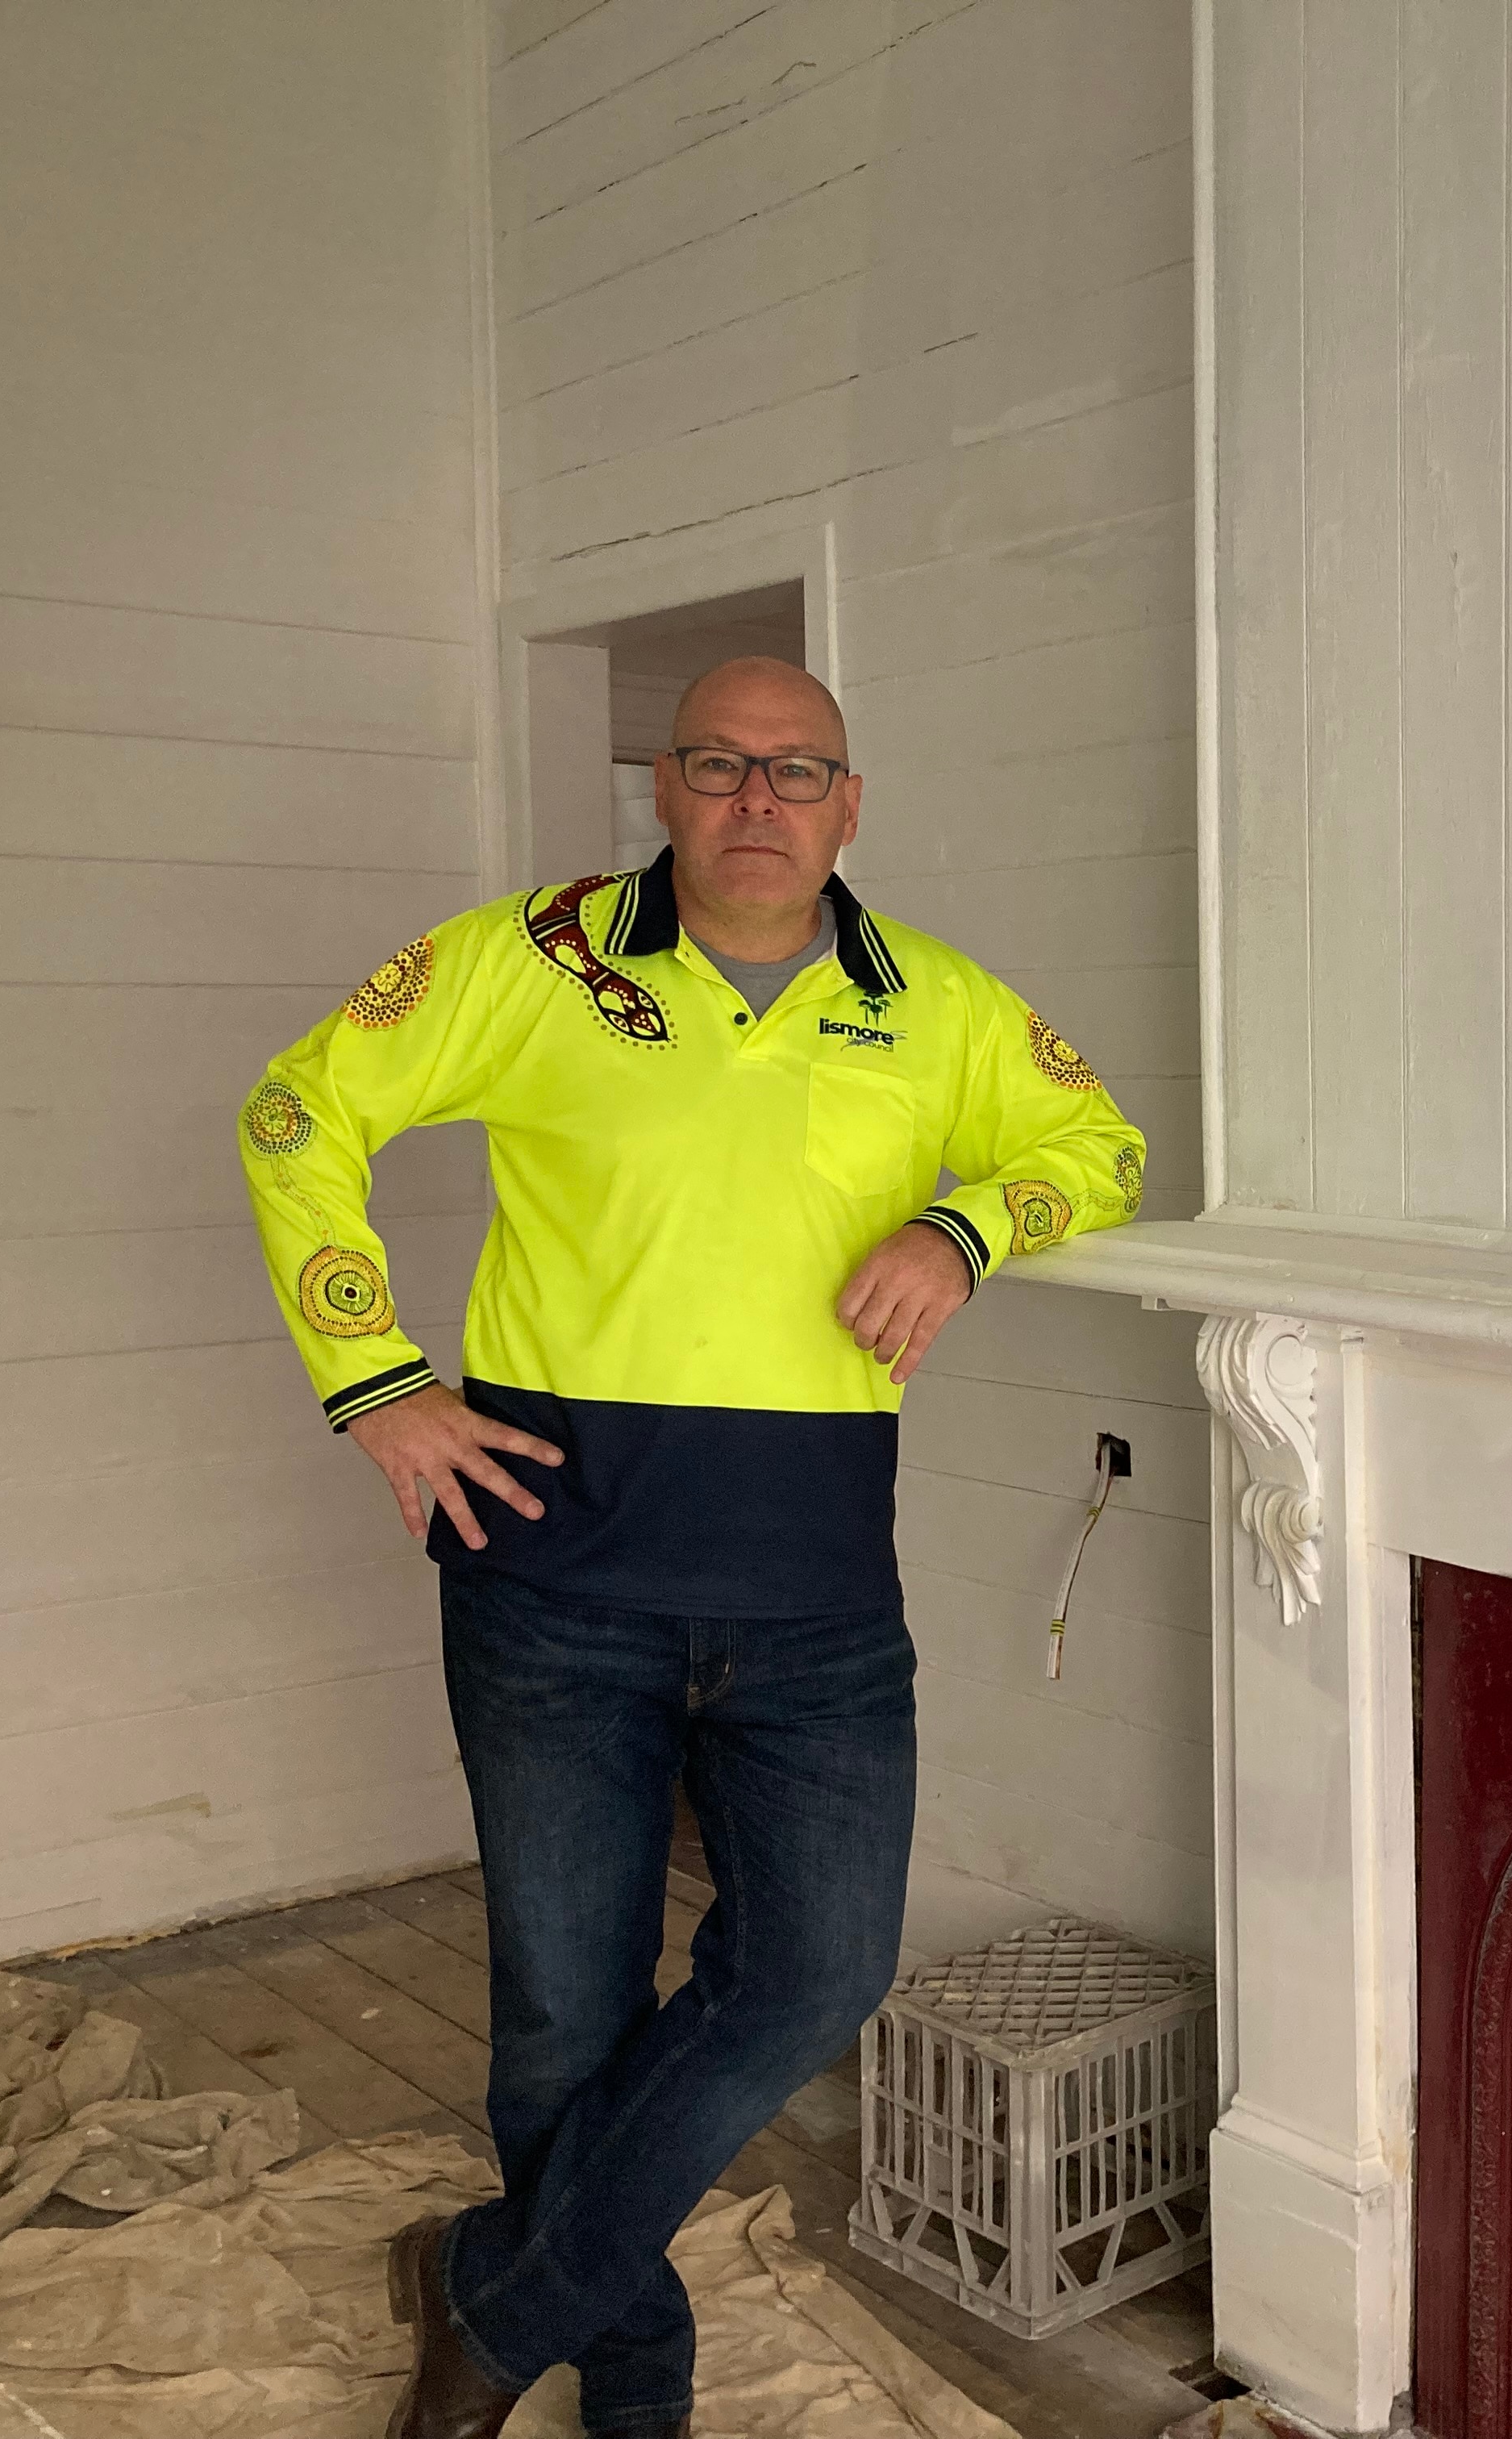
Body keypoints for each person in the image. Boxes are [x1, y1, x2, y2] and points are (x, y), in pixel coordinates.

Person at [237, 657, 1146, 2439]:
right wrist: (376, 1383)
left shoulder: (935, 1006)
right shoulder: (537, 956)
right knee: (564, 2020)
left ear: (850, 803)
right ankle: (632, 2379)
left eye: (797, 769)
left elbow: (1093, 1144)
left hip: (813, 1609)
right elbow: (295, 1112)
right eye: (719, 763)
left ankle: (493, 2311)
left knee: (813, 1973)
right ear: (664, 784)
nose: (757, 797)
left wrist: (967, 1226)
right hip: (549, 1587)